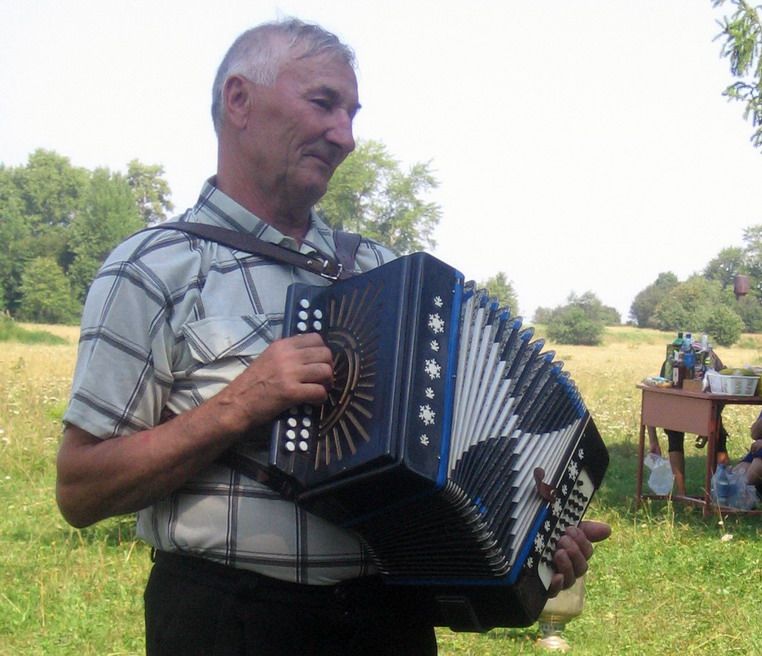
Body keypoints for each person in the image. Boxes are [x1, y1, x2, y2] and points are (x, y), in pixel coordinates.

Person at [55, 18, 611, 655]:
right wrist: (241, 403)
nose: (344, 135)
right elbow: (80, 488)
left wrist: (534, 538)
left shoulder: (381, 272)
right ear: (238, 100)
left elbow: (446, 471)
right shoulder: (155, 268)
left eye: (352, 113)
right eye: (323, 103)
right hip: (230, 620)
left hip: (388, 622)